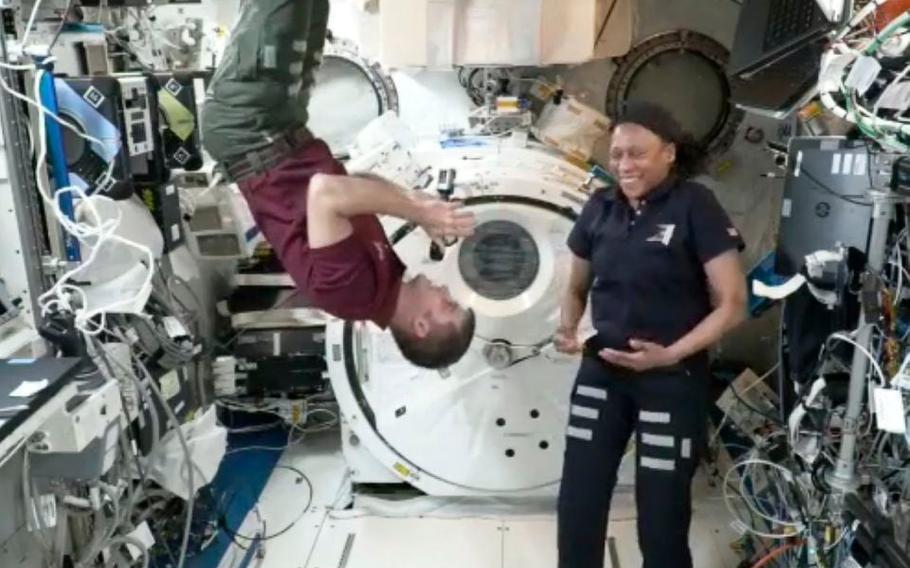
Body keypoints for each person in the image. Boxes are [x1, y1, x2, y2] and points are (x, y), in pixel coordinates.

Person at [200, 0, 476, 369]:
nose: (445, 291)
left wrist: (417, 209)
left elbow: (326, 193)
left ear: (421, 325)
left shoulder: (353, 294)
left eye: (448, 305)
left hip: (249, 131)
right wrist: (413, 201)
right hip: (279, 127)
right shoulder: (387, 275)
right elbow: (350, 185)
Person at [554, 101, 747, 568]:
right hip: (602, 373)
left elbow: (733, 304)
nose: (624, 165)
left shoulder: (694, 205)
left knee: (661, 518)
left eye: (637, 154)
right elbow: (576, 287)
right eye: (618, 154)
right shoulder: (600, 206)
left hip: (670, 381)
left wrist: (670, 355)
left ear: (669, 154)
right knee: (578, 504)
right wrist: (568, 328)